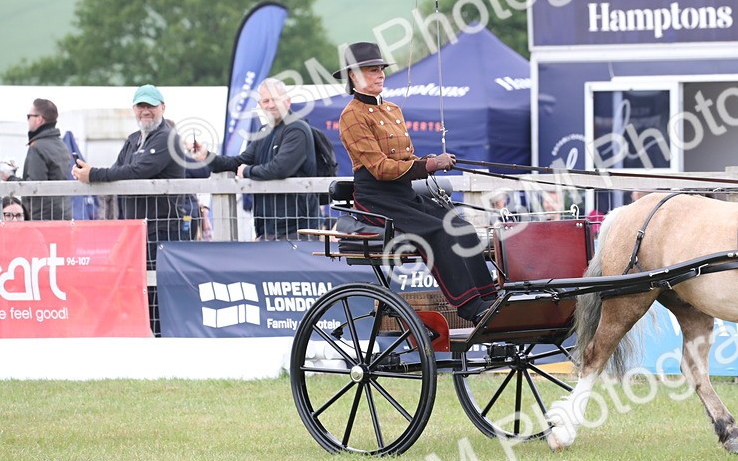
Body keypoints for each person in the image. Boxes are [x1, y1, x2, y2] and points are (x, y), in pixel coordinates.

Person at [337, 41, 498, 324]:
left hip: (403, 193)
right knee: (437, 231)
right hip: (376, 197)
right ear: (354, 76)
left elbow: (404, 158)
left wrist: (429, 160)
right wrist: (429, 166)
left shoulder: (392, 109)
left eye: (381, 69)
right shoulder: (351, 116)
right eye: (372, 70)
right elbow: (380, 168)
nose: (380, 75)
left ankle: (489, 297)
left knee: (461, 227)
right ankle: (469, 306)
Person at [72, 84, 192, 335]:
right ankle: (150, 337)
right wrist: (93, 173)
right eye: (141, 106)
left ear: (163, 107)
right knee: (140, 288)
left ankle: (165, 340)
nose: (145, 111)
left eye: (150, 105)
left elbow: (138, 171)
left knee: (159, 288)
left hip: (162, 228)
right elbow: (120, 170)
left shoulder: (168, 138)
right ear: (134, 109)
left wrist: (94, 173)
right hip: (137, 229)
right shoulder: (133, 139)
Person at [190, 78, 320, 240]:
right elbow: (237, 161)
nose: (271, 105)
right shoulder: (263, 131)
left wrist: (247, 171)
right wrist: (207, 156)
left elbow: (280, 168)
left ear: (287, 102)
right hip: (267, 227)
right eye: (266, 100)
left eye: (275, 99)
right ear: (260, 105)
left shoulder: (297, 129)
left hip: (298, 229)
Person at [22, 98, 74, 220]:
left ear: (39, 119)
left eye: (29, 116)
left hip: (42, 217)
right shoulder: (61, 145)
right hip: (63, 213)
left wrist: (9, 177)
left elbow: (34, 185)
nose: (28, 120)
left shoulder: (38, 147)